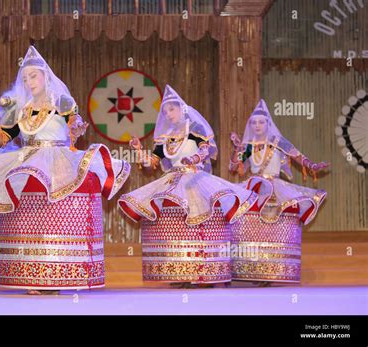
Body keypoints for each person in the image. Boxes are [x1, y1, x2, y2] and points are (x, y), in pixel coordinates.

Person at [0, 46, 130, 294]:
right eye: (25, 78)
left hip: (57, 160)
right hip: (27, 159)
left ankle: (57, 275)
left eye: (33, 76)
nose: (28, 82)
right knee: (27, 212)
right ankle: (32, 275)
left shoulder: (61, 101)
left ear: (45, 77)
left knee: (55, 215)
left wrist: (77, 127)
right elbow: (1, 142)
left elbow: (75, 125)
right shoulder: (20, 109)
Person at [118, 85, 257, 287]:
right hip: (173, 181)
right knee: (176, 225)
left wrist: (194, 157)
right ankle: (181, 271)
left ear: (182, 109)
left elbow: (206, 150)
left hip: (195, 180)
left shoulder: (194, 130)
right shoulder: (165, 139)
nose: (169, 114)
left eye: (172, 110)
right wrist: (139, 150)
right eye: (165, 112)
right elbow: (151, 164)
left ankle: (204, 272)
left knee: (201, 224)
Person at [229, 99, 329, 285]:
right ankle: (253, 269)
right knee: (252, 227)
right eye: (254, 122)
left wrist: (314, 166)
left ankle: (273, 269)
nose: (257, 125)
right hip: (254, 187)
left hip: (275, 186)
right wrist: (237, 149)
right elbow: (234, 167)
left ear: (268, 124)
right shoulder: (248, 145)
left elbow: (297, 156)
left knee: (273, 225)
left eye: (261, 122)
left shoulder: (277, 141)